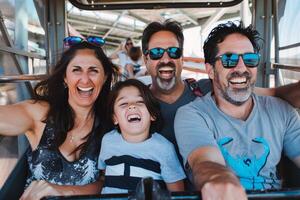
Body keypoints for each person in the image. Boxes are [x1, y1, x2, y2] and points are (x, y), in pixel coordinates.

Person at [141, 19, 300, 163]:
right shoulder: (135, 103)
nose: (166, 59)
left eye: (174, 52)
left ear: (181, 58)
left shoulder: (207, 88)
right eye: (156, 53)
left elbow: (271, 94)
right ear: (145, 59)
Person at [174, 21, 300, 199]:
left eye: (249, 59)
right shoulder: (193, 115)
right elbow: (204, 162)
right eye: (229, 60)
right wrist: (219, 178)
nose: (241, 68)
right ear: (210, 70)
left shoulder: (282, 111)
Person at [0, 40, 117, 199]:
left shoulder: (112, 122)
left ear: (104, 78)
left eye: (93, 71)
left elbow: (108, 182)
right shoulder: (41, 114)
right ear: (65, 77)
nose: (85, 79)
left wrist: (63, 190)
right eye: (76, 70)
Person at [98, 79, 185, 194]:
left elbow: (177, 192)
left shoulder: (164, 148)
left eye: (140, 102)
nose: (132, 106)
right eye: (124, 103)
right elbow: (104, 173)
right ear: (115, 118)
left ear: (152, 115)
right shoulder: (108, 141)